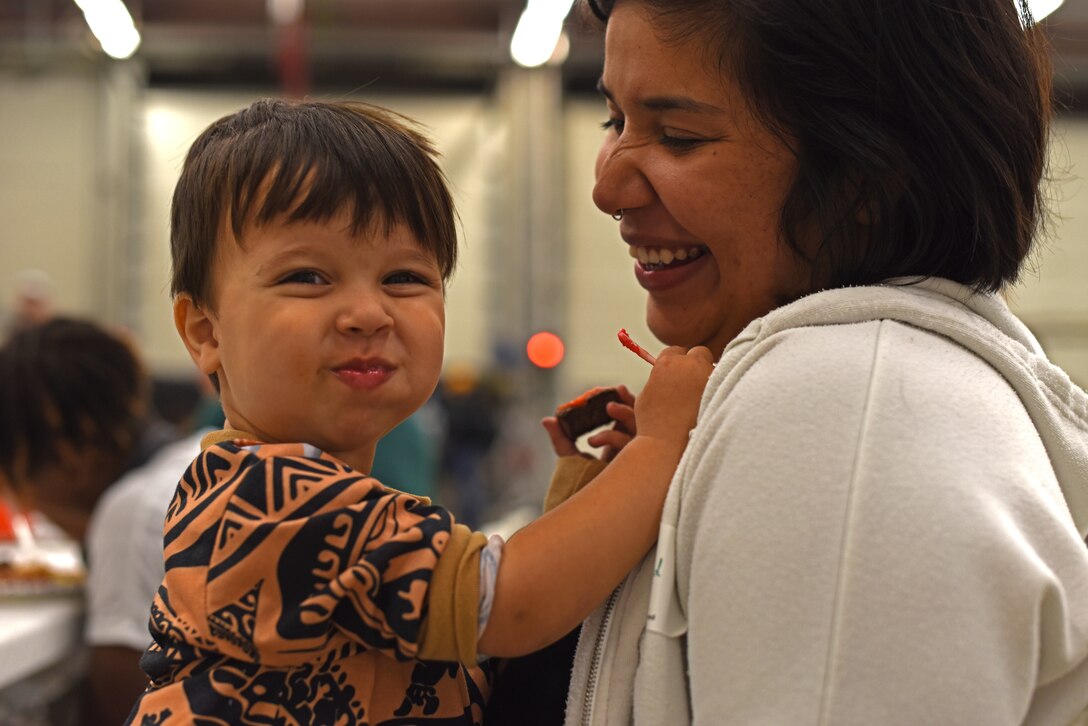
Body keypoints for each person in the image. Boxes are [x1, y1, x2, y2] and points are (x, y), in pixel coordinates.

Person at [528, 1, 1088, 724]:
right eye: (616, 122)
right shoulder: (881, 388)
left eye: (679, 136)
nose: (607, 187)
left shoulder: (850, 409)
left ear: (863, 179)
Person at [125, 98, 714, 725]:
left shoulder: (316, 495)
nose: (368, 313)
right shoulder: (267, 502)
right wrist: (660, 445)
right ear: (205, 331)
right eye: (308, 277)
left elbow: (469, 637)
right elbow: (512, 607)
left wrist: (588, 493)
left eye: (404, 278)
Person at [0, 317, 191, 725]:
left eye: (15, 471)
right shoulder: (196, 455)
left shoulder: (131, 514)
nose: (24, 501)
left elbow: (121, 705)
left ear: (70, 449)